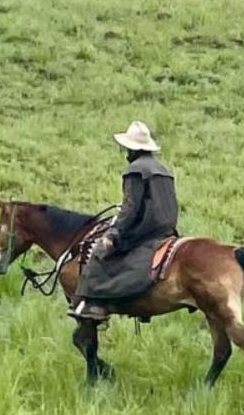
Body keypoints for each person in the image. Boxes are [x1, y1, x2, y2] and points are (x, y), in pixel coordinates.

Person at [72, 121, 179, 322]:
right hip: (166, 228)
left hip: (144, 229)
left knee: (99, 251)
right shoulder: (164, 169)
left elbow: (131, 207)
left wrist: (113, 233)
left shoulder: (135, 169)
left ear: (133, 149)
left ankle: (94, 304)